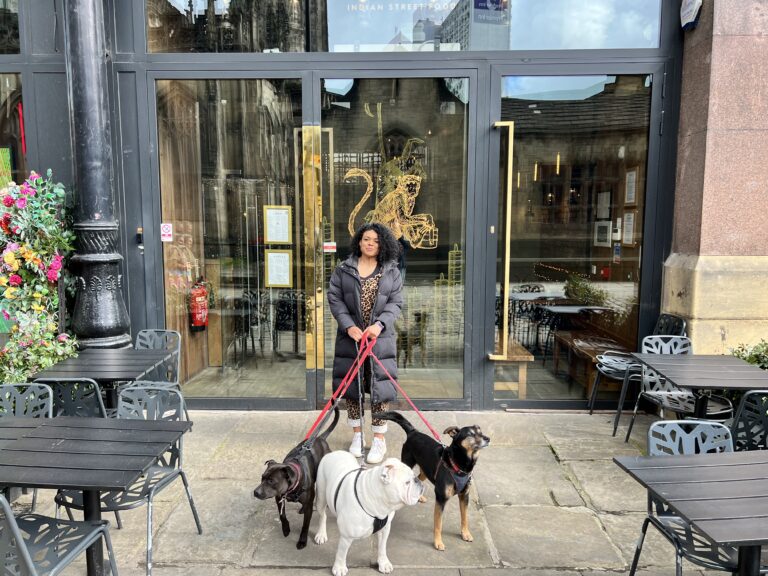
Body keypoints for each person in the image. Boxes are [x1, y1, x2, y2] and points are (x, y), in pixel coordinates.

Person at [327, 222, 403, 464]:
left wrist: (379, 325)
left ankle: (379, 439)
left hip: (379, 340)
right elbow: (335, 298)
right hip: (351, 339)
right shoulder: (343, 269)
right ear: (359, 241)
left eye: (376, 241)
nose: (370, 243)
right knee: (353, 388)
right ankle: (357, 435)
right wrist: (349, 326)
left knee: (379, 388)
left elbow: (395, 303)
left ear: (383, 245)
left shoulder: (391, 271)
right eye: (366, 239)